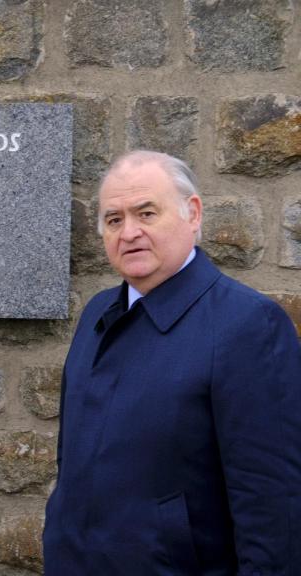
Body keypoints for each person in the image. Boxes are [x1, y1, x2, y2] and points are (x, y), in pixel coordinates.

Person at [43, 150, 301, 574]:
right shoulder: (97, 313)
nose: (129, 232)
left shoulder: (247, 324)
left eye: (146, 213)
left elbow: (273, 505)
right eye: (114, 220)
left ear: (192, 213)